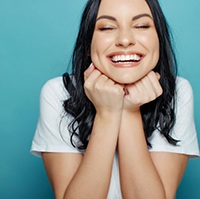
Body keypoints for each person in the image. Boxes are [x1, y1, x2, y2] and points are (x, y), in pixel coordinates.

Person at [31, 0, 199, 198]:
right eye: (107, 27)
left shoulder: (176, 92)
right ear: (88, 43)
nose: (125, 40)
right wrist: (107, 113)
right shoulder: (59, 92)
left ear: (159, 39)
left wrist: (129, 110)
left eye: (141, 26)